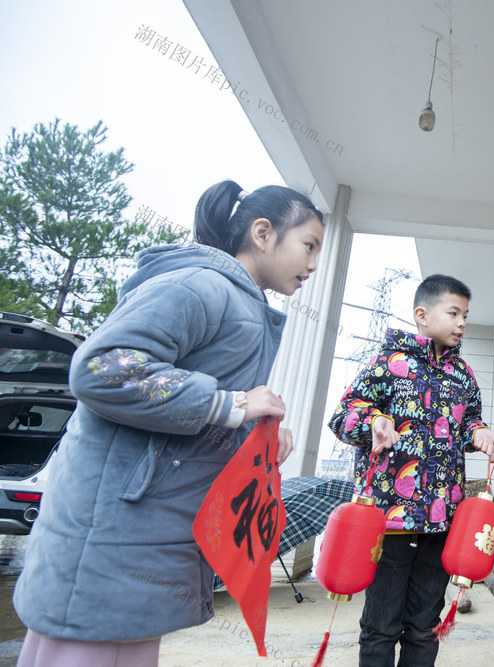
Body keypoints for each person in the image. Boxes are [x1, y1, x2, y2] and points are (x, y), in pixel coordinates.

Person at [13, 180, 324, 666]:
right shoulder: (199, 285)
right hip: (115, 533)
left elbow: (192, 415)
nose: (312, 264)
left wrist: (252, 428)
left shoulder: (237, 301)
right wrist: (234, 404)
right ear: (263, 233)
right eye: (308, 245)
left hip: (143, 532)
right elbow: (103, 369)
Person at [329, 274, 494, 667]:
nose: (461, 323)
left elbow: (469, 422)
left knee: (424, 625)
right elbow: (344, 414)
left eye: (466, 315)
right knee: (381, 625)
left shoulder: (464, 376)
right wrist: (372, 421)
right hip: (389, 521)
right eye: (453, 313)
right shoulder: (389, 364)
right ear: (422, 315)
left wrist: (479, 433)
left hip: (442, 521)